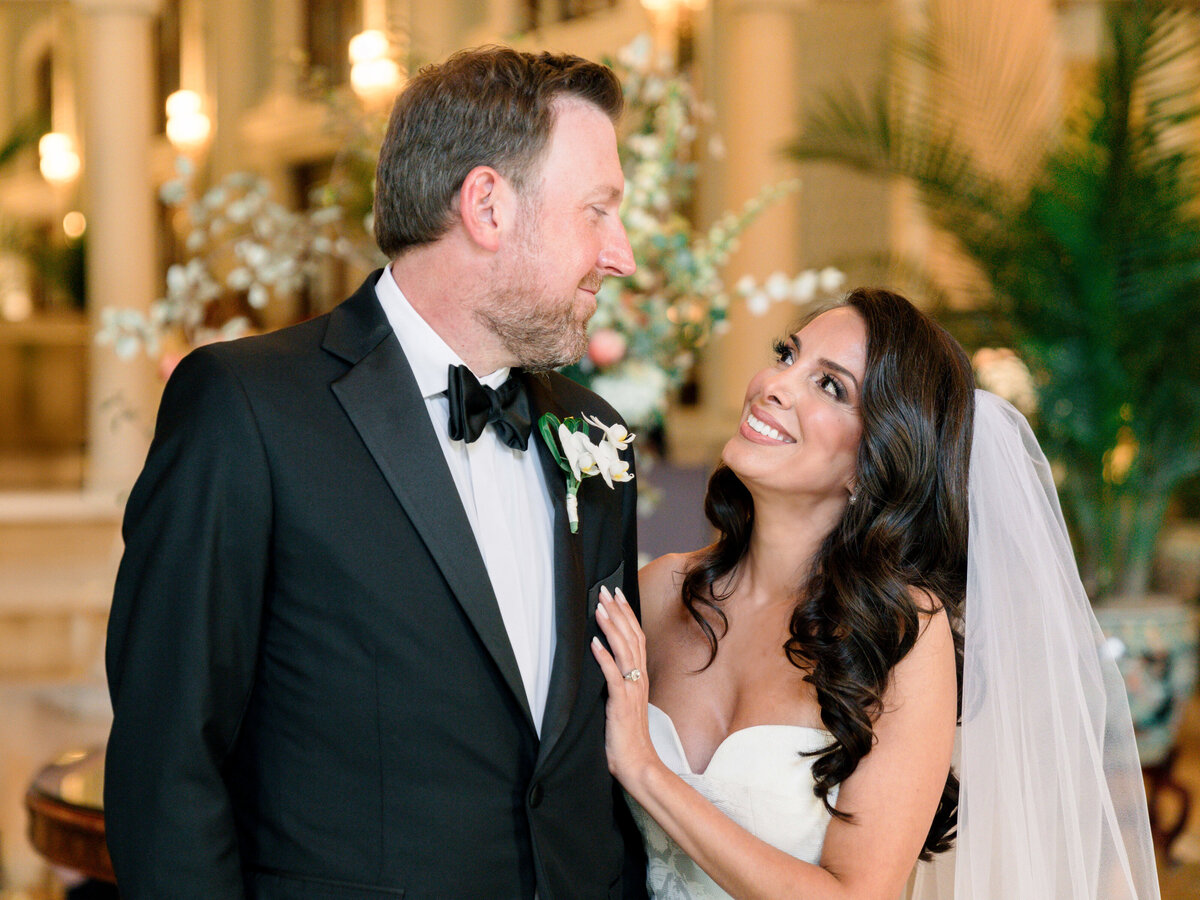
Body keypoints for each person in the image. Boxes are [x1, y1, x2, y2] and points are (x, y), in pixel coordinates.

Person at [105, 48, 648, 899]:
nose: (621, 255)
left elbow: (589, 768)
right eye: (597, 211)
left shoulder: (595, 437)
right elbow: (167, 764)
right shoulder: (247, 410)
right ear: (487, 206)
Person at [591, 288, 1160, 899]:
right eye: (787, 357)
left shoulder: (902, 634)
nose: (774, 386)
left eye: (830, 386)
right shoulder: (656, 593)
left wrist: (648, 772)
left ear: (875, 461)